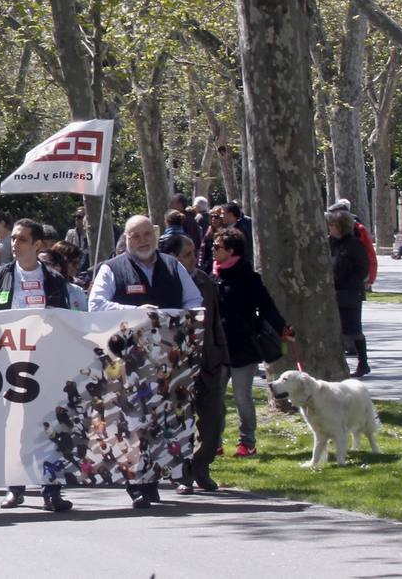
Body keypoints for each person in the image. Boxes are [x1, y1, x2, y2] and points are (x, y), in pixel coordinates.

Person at [89, 214, 202, 508]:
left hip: (168, 360)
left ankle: (155, 479)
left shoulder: (173, 266)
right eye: (135, 236)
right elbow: (96, 304)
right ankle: (137, 484)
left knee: (161, 421)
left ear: (155, 234)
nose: (142, 241)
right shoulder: (112, 269)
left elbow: (194, 302)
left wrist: (174, 319)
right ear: (126, 239)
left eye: (146, 234)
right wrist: (134, 312)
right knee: (131, 422)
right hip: (126, 361)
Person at [0, 220, 75, 514]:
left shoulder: (54, 279)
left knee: (49, 426)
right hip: (11, 365)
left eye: (21, 239)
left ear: (37, 245)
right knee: (16, 428)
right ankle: (15, 487)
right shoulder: (1, 275)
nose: (14, 244)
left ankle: (52, 490)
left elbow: (64, 321)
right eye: (13, 238)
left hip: (45, 364)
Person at [211, 227, 291, 456]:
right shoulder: (212, 275)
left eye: (218, 247)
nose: (213, 250)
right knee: (214, 398)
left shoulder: (248, 277)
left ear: (231, 251)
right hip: (218, 348)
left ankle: (247, 442)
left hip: (243, 348)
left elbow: (267, 306)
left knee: (242, 397)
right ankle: (214, 442)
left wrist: (283, 328)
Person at [158, 234, 226, 494]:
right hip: (176, 363)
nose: (193, 258)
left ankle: (201, 465)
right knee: (179, 420)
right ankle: (181, 472)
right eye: (187, 254)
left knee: (213, 419)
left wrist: (222, 355)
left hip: (208, 360)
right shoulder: (164, 283)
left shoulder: (205, 281)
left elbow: (215, 321)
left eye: (194, 252)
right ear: (172, 257)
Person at [327, 208, 371, 377]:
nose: (330, 227)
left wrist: (347, 283)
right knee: (334, 331)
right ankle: (337, 364)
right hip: (333, 292)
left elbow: (362, 269)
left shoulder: (354, 244)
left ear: (341, 226)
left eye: (332, 224)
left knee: (353, 329)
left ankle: (363, 363)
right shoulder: (329, 243)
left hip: (350, 293)